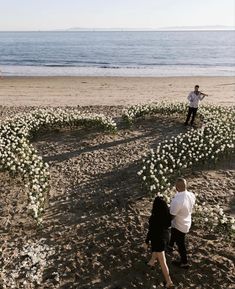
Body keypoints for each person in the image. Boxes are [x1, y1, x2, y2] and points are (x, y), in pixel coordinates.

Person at [144, 196, 174, 288]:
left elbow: (151, 232)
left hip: (158, 240)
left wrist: (146, 242)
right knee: (157, 251)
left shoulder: (153, 218)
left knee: (162, 261)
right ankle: (152, 262)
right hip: (166, 237)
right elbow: (168, 224)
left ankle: (169, 282)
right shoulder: (167, 215)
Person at [168, 178, 195, 269]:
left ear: (176, 187)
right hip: (187, 221)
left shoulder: (177, 201)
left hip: (180, 225)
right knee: (173, 231)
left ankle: (184, 262)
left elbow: (172, 216)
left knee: (181, 244)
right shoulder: (191, 195)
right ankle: (170, 246)